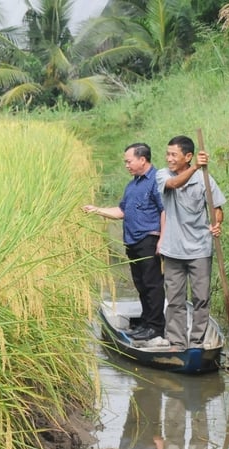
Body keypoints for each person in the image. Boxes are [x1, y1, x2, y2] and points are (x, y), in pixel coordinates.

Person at [83, 143, 166, 344]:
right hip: (132, 241)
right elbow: (122, 212)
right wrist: (97, 210)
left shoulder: (156, 181)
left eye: (129, 161)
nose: (126, 165)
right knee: (141, 284)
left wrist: (163, 239)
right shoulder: (132, 185)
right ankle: (145, 323)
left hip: (149, 239)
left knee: (152, 284)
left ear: (142, 159)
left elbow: (165, 210)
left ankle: (156, 328)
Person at [156, 135, 225, 350]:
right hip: (173, 250)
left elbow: (217, 209)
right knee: (175, 300)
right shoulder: (162, 175)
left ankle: (196, 342)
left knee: (201, 298)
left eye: (173, 154)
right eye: (168, 154)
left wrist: (216, 223)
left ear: (187, 156)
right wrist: (195, 167)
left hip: (200, 250)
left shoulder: (206, 179)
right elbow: (175, 183)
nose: (169, 158)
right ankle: (177, 342)